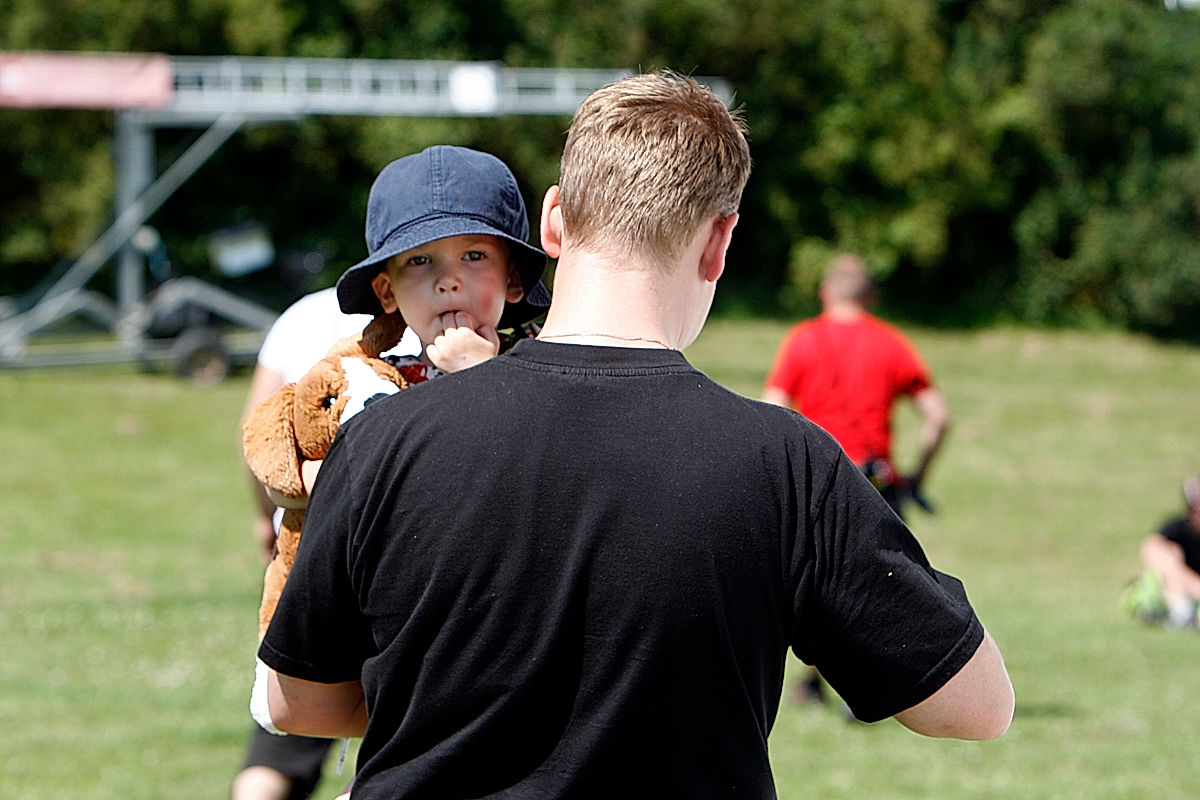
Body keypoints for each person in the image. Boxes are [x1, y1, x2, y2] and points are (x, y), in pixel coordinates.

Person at [257, 71, 1014, 798]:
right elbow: (978, 707)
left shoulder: (384, 440)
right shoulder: (788, 464)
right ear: (719, 242)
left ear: (554, 221)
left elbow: (298, 704)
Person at [238, 144, 549, 799]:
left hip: (525, 666)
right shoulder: (369, 392)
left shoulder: (551, 373)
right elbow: (296, 467)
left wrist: (481, 380)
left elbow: (551, 475)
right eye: (419, 263)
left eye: (473, 256)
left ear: (515, 279)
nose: (447, 280)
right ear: (386, 290)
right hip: (403, 671)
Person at [232, 286, 379, 800]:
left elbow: (254, 428)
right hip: (391, 546)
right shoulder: (438, 315)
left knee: (281, 736)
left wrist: (262, 518)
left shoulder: (301, 314)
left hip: (306, 545)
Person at [762, 253, 950, 518]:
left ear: (824, 293)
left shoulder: (803, 340)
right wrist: (917, 479)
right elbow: (939, 418)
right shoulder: (892, 342)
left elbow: (772, 412)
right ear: (872, 295)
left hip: (817, 483)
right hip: (876, 489)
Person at [1126, 475, 1200, 628]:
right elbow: (1150, 550)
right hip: (1177, 590)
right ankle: (1182, 611)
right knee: (1169, 554)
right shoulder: (1177, 529)